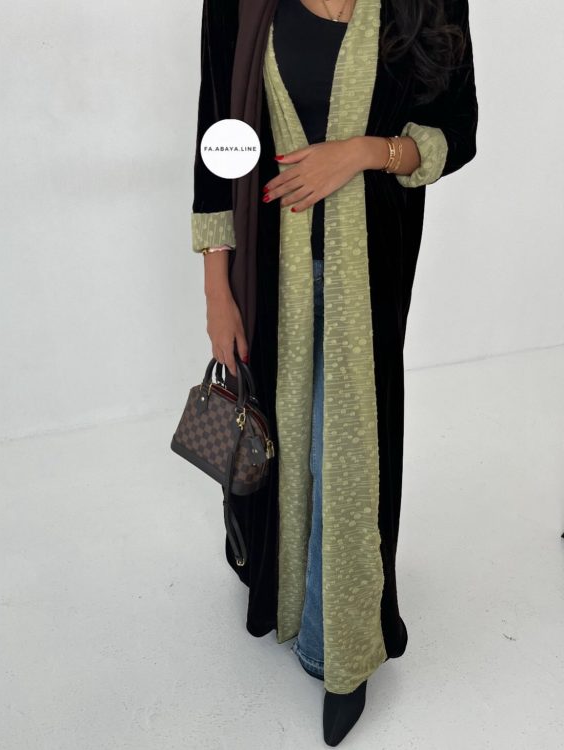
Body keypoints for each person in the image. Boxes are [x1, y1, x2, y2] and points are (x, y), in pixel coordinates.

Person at [189, 0, 478, 745]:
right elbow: (219, 140)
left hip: (370, 274)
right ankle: (283, 593)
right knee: (285, 442)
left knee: (344, 451)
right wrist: (217, 291)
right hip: (268, 274)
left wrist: (363, 152)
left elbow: (458, 129)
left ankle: (338, 647)